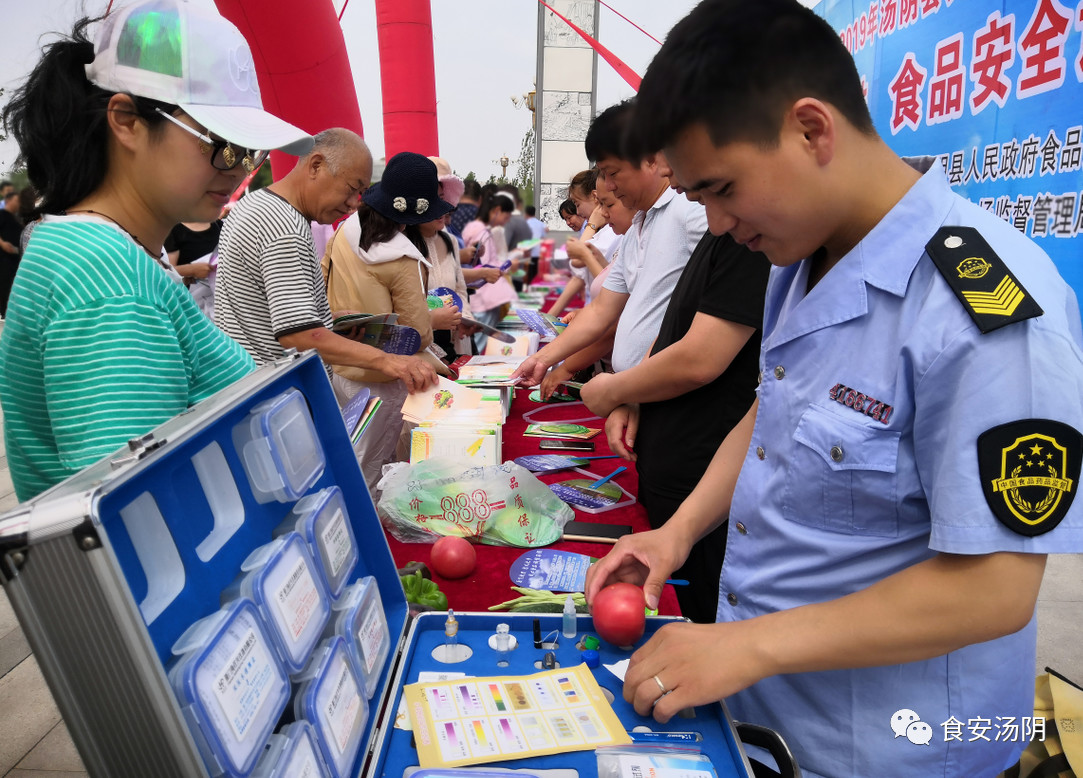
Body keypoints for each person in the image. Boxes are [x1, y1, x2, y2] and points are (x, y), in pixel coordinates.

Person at [583, 2, 1083, 777]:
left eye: (721, 189)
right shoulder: (801, 261)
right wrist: (675, 534)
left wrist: (751, 644)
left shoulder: (987, 310)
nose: (716, 225)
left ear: (810, 129)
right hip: (771, 713)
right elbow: (772, 412)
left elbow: (994, 589)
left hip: (892, 747)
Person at [0, 0, 311, 501]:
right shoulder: (108, 279)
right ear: (126, 120)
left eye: (249, 152)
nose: (238, 169)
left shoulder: (107, 252)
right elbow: (141, 513)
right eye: (224, 144)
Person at [579, 225, 770, 623]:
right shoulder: (727, 229)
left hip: (699, 464)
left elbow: (701, 359)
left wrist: (615, 390)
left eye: (716, 189)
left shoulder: (753, 239)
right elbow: (764, 415)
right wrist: (678, 533)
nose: (712, 215)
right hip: (686, 477)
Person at [215, 129, 438, 394]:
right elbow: (298, 336)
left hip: (247, 385)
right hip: (272, 393)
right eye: (353, 188)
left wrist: (327, 320)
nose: (352, 204)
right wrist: (389, 360)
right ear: (316, 165)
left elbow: (262, 311)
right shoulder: (285, 228)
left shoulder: (254, 204)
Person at [513, 101, 708, 387]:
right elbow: (602, 309)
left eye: (613, 173)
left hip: (667, 391)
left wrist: (631, 392)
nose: (609, 185)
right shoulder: (638, 226)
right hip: (639, 390)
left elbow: (698, 321)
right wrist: (543, 359)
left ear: (652, 160)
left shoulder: (690, 212)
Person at [321, 152, 454, 488]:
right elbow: (418, 334)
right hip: (385, 376)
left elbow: (320, 287)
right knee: (376, 469)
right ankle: (370, 536)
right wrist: (433, 317)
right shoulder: (401, 256)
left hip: (342, 367)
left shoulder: (343, 235)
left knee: (350, 459)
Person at [462, 190, 519, 351]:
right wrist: (505, 266)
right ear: (496, 210)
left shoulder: (475, 229)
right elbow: (484, 265)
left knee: (478, 341)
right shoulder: (481, 232)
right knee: (480, 342)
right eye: (506, 217)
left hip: (480, 295)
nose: (504, 222)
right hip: (484, 296)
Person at [165, 219, 221, 318]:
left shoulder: (218, 225)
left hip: (219, 299)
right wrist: (192, 269)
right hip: (193, 303)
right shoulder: (174, 231)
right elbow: (168, 272)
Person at [0, 188, 22, 317]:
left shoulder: (16, 218)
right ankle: (4, 312)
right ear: (8, 201)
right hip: (4, 258)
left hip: (15, 258)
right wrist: (2, 243)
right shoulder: (2, 214)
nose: (18, 203)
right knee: (5, 283)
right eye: (16, 200)